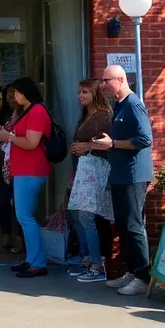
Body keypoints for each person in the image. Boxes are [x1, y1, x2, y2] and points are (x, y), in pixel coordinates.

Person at [99, 64, 154, 297]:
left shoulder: (134, 104)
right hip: (120, 174)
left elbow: (144, 139)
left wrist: (112, 144)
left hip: (133, 175)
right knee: (122, 224)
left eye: (106, 80)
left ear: (120, 80)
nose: (103, 85)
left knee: (133, 225)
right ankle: (132, 270)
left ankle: (143, 276)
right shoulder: (120, 105)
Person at [0, 76, 52, 278]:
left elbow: (31, 143)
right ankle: (31, 260)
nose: (14, 96)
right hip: (23, 169)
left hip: (30, 170)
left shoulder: (36, 111)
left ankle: (37, 262)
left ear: (25, 92)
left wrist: (8, 137)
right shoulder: (25, 111)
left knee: (25, 217)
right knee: (23, 216)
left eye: (16, 92)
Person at [67, 78, 114, 283]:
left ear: (95, 93)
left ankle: (97, 264)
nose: (81, 96)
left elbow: (108, 144)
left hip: (97, 169)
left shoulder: (104, 116)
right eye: (79, 92)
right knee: (76, 214)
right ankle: (87, 258)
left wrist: (87, 146)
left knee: (86, 216)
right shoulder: (86, 115)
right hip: (82, 169)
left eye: (85, 92)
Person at [0, 84, 22, 255]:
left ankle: (19, 239)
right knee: (3, 201)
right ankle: (5, 237)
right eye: (8, 95)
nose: (11, 99)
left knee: (19, 204)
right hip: (2, 161)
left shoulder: (25, 114)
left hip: (17, 163)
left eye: (14, 94)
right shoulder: (5, 114)